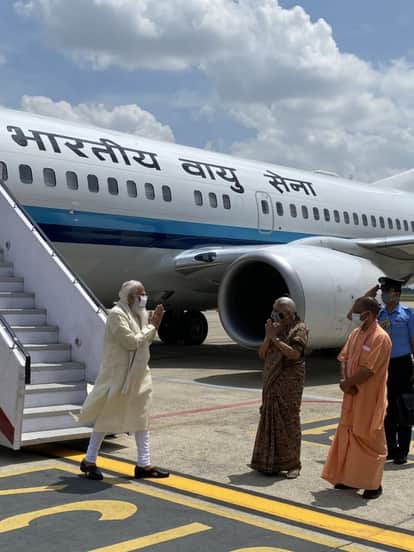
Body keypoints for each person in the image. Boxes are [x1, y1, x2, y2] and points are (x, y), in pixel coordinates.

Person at [77, 280, 169, 480]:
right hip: (118, 376)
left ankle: (144, 464)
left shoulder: (141, 314)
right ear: (129, 297)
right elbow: (131, 342)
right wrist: (152, 327)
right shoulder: (116, 314)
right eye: (140, 294)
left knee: (141, 417)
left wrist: (153, 326)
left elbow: (146, 340)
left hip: (139, 374)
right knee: (107, 417)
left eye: (144, 294)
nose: (144, 298)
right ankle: (89, 460)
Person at [322, 297, 391, 499]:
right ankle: (349, 479)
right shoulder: (355, 334)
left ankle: (373, 484)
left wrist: (348, 383)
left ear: (368, 314)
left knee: (370, 438)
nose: (353, 315)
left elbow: (369, 369)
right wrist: (345, 381)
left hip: (369, 397)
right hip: (351, 396)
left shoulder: (380, 337)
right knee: (349, 433)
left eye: (357, 311)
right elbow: (344, 358)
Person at [250, 297, 308, 479]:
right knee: (270, 418)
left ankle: (293, 464)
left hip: (289, 382)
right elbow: (262, 353)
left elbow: (294, 354)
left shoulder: (299, 329)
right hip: (272, 381)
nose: (275, 315)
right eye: (274, 311)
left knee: (289, 421)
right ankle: (269, 462)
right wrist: (269, 337)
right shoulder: (275, 328)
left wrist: (274, 338)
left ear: (289, 314)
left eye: (279, 313)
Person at [365, 277, 414, 464]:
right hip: (383, 365)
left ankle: (402, 451)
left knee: (404, 407)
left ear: (397, 294)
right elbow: (358, 311)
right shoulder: (380, 314)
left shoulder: (408, 314)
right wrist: (369, 296)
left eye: (387, 291)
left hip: (402, 365)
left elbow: (413, 342)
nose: (384, 294)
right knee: (386, 408)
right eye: (382, 291)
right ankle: (390, 448)